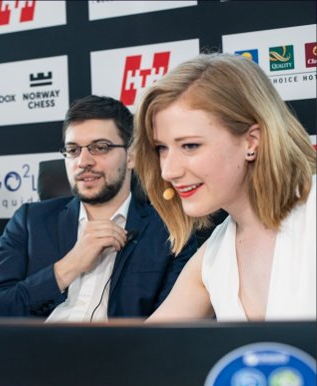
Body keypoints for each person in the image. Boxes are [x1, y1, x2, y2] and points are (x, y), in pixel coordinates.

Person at [131, 53, 316, 322]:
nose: (168, 171)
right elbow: (138, 351)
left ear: (251, 141)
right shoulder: (214, 255)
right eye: (162, 148)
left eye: (190, 146)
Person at [0, 95, 197, 321]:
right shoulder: (30, 221)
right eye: (73, 150)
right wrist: (67, 267)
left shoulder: (170, 230)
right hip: (35, 353)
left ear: (131, 157)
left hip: (120, 354)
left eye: (100, 147)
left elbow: (169, 334)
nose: (83, 161)